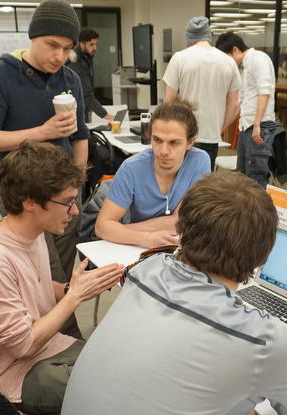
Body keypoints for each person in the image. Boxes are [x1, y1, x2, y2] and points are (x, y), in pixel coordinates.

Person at [60, 171, 287, 415]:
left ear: (182, 229)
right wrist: (286, 351)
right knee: (244, 395)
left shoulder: (145, 271)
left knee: (238, 399)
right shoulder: (263, 342)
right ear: (262, 255)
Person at [0, 141, 123, 415]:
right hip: (14, 374)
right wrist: (75, 297)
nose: (74, 212)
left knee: (127, 366)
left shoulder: (33, 235)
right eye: (67, 203)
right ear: (30, 203)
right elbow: (23, 345)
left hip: (49, 351)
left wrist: (69, 288)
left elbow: (31, 288)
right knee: (123, 387)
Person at [0, 0, 88, 285]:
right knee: (39, 273)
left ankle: (50, 319)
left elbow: (80, 136)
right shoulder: (1, 74)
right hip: (23, 194)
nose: (59, 55)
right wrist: (43, 131)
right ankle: (52, 328)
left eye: (67, 48)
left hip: (65, 194)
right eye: (51, 45)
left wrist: (77, 185)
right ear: (33, 37)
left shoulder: (69, 78)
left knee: (59, 267)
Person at [95, 99, 211, 248]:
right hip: (136, 248)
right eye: (157, 140)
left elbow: (182, 221)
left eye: (174, 142)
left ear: (190, 142)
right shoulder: (131, 168)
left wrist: (122, 231)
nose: (163, 151)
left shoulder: (199, 160)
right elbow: (102, 227)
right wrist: (146, 238)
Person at [163, 16, 240, 170]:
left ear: (189, 37)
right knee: (203, 188)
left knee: (179, 183)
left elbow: (169, 101)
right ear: (208, 35)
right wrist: (219, 128)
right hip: (211, 136)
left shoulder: (179, 58)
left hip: (182, 134)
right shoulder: (228, 62)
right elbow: (235, 106)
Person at [216, 32, 276, 188]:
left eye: (226, 58)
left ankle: (259, 212)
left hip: (259, 127)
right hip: (246, 126)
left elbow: (265, 92)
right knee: (243, 177)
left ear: (235, 50)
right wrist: (221, 128)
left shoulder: (258, 58)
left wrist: (257, 125)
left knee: (256, 179)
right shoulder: (244, 67)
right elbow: (239, 103)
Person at [67, 27, 114, 123]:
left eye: (96, 44)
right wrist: (105, 115)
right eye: (91, 44)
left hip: (80, 108)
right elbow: (86, 94)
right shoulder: (76, 63)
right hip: (74, 112)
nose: (95, 48)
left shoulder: (86, 57)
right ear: (81, 43)